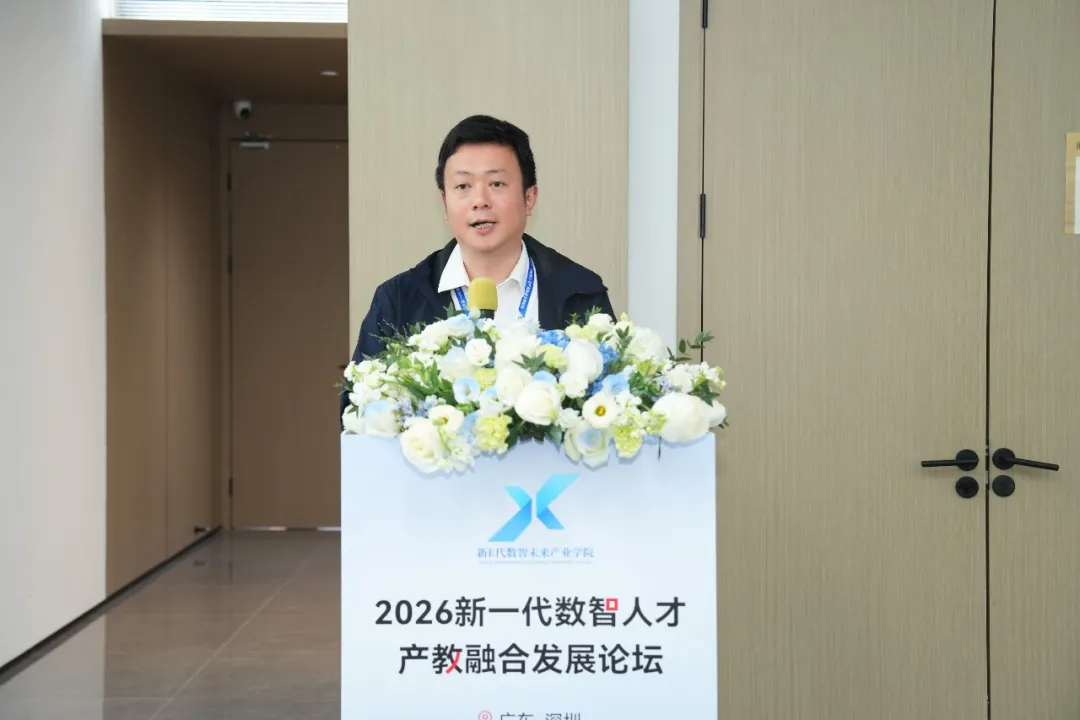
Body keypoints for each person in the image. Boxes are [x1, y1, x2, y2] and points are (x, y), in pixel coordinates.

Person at [340, 114, 615, 426]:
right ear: (444, 202)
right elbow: (356, 414)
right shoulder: (399, 300)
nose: (480, 201)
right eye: (463, 186)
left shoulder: (579, 291)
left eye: (496, 184)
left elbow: (613, 408)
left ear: (529, 198)